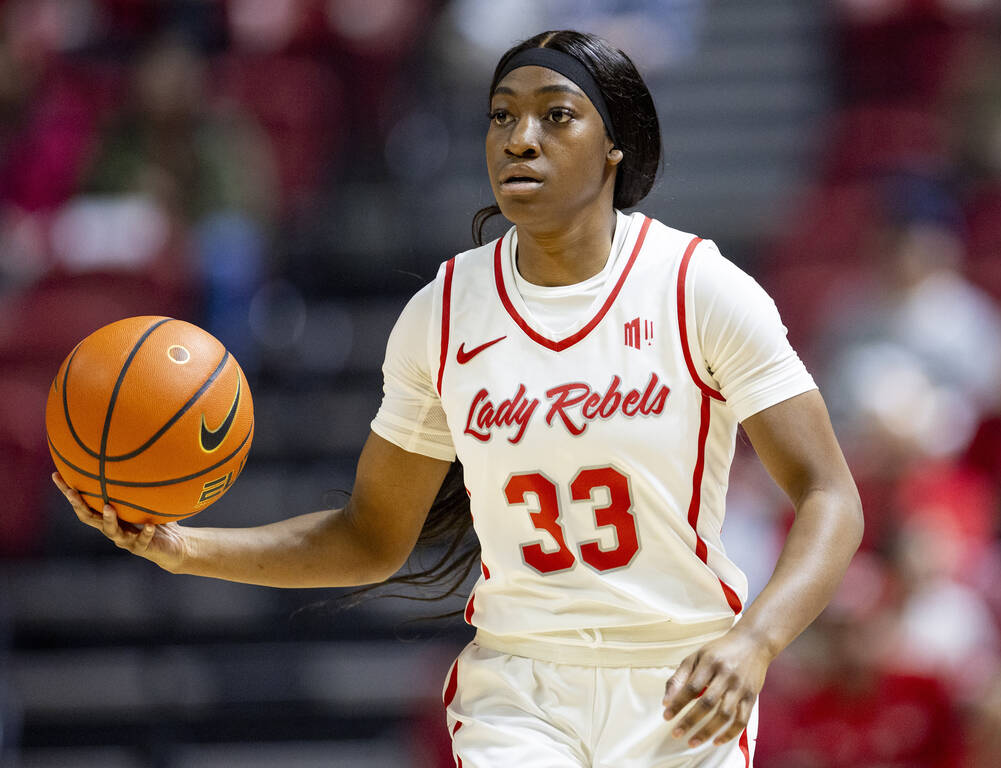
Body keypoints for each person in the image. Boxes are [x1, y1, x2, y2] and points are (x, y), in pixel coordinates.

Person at [54, 30, 864, 767]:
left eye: (556, 116)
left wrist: (756, 642)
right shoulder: (441, 317)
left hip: (681, 680)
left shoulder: (700, 289)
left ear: (615, 146)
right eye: (501, 117)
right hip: (521, 688)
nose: (520, 138)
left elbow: (830, 496)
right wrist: (184, 548)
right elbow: (372, 536)